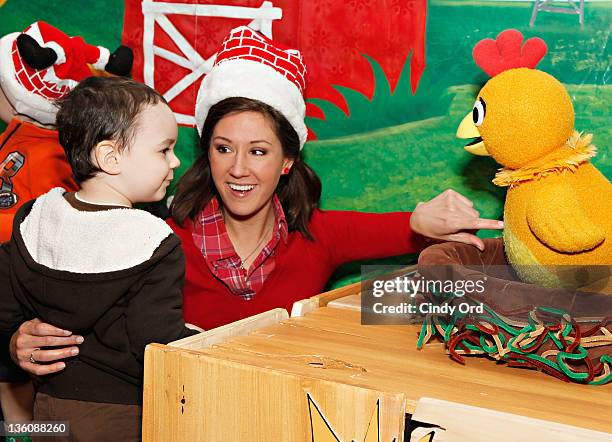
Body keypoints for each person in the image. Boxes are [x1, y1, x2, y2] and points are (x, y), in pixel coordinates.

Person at [9, 26, 503, 376]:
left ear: (287, 160)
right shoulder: (155, 236)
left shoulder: (317, 235)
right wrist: (15, 341)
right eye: (223, 148)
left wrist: (428, 220)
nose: (238, 168)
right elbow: (79, 312)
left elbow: (405, 229)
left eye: (259, 151)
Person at [0, 76, 197, 440]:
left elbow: (6, 303)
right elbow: (155, 342)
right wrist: (206, 344)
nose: (176, 161)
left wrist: (13, 338)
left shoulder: (37, 217)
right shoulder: (152, 241)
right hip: (123, 416)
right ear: (111, 157)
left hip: (47, 409)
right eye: (163, 150)